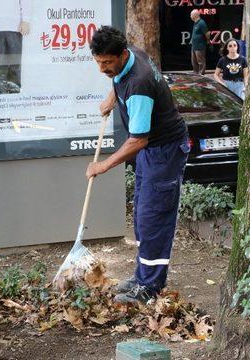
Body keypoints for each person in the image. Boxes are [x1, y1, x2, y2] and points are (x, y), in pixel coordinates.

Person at [87, 26, 189, 304]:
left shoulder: (140, 83)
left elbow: (138, 140)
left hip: (163, 150)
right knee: (142, 216)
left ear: (121, 55)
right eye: (98, 62)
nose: (102, 68)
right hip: (152, 149)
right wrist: (111, 98)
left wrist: (103, 165)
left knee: (154, 217)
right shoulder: (130, 55)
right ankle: (142, 276)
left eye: (107, 63)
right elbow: (118, 79)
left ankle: (149, 286)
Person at [0, 0, 31, 94]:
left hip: (15, 27)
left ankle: (15, 92)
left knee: (15, 62)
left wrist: (25, 20)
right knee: (1, 63)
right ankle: (2, 92)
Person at [189, 9, 208, 75]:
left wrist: (208, 40)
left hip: (200, 45)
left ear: (195, 15)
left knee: (200, 61)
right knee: (193, 61)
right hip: (194, 45)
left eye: (191, 15)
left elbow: (207, 33)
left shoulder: (201, 23)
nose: (190, 16)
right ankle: (195, 72)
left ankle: (201, 73)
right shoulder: (195, 23)